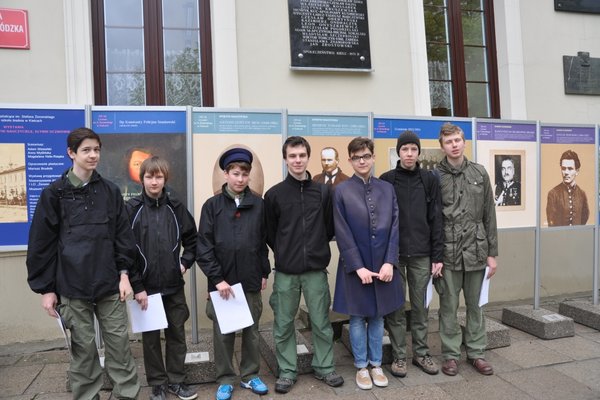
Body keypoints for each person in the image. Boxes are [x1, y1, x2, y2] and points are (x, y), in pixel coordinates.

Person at [26, 127, 140, 400]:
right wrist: (47, 289)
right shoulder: (53, 194)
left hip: (109, 283)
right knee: (83, 351)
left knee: (120, 347)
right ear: (71, 153)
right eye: (86, 150)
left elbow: (123, 237)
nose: (93, 155)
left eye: (96, 150)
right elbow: (41, 245)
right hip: (71, 284)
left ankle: (127, 395)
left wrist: (125, 275)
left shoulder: (110, 192)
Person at [264, 136, 344, 394]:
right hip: (286, 272)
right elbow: (270, 232)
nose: (297, 160)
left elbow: (329, 227)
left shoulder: (322, 192)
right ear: (285, 159)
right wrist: (286, 252)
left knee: (320, 322)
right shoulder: (274, 194)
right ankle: (287, 370)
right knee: (284, 323)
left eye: (301, 155)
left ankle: (324, 366)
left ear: (308, 157)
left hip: (315, 271)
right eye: (292, 156)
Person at [196, 148, 271, 400]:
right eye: (235, 173)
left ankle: (250, 375)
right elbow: (203, 247)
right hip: (223, 282)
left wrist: (264, 271)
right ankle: (226, 378)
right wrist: (217, 279)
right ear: (226, 174)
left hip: (250, 278)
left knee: (251, 330)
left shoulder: (259, 205)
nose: (240, 179)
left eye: (244, 174)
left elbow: (262, 242)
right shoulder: (212, 206)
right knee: (223, 333)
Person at [332, 137, 403, 390]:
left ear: (373, 157)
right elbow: (341, 230)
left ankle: (376, 364)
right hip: (355, 266)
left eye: (366, 156)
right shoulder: (340, 190)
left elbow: (395, 226)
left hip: (383, 264)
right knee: (357, 317)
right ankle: (361, 367)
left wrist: (389, 262)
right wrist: (357, 266)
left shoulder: (387, 188)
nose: (362, 161)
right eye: (356, 157)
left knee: (378, 316)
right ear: (350, 160)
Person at [126, 156, 198, 400]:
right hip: (145, 289)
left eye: (158, 176)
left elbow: (193, 241)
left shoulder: (176, 208)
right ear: (142, 178)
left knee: (177, 334)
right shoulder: (132, 210)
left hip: (173, 286)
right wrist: (137, 286)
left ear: (165, 178)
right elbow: (125, 252)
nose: (154, 181)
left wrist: (185, 262)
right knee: (151, 339)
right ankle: (158, 383)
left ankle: (177, 380)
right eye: (149, 176)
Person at [436, 122, 498, 377]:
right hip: (448, 252)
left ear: (464, 142)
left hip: (476, 249)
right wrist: (434, 255)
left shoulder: (479, 173)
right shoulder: (434, 177)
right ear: (442, 146)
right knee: (448, 306)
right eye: (449, 142)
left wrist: (492, 254)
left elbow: (489, 215)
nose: (454, 145)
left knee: (476, 305)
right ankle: (450, 355)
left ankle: (476, 352)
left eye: (458, 140)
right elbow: (432, 218)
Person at [380, 130, 443, 378]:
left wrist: (437, 256)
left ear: (418, 152)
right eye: (405, 149)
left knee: (420, 308)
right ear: (399, 152)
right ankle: (398, 357)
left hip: (421, 255)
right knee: (395, 309)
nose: (409, 153)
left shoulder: (429, 179)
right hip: (394, 257)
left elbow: (436, 218)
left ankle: (421, 354)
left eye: (413, 149)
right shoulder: (387, 180)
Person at [546, 150, 589, 226]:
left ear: (577, 171)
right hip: (559, 236)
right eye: (563, 168)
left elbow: (584, 217)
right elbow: (551, 222)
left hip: (576, 235)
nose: (566, 172)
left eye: (570, 169)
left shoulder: (582, 194)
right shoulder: (553, 194)